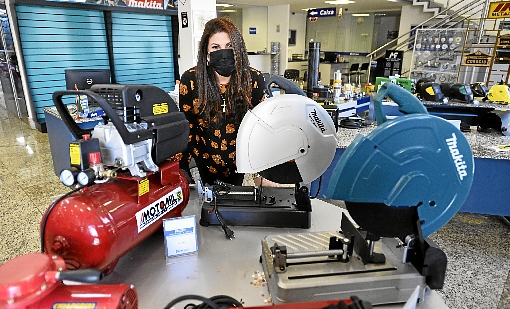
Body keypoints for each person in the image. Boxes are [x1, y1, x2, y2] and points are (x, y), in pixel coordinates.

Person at [178, 17, 267, 186]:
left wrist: (262, 172)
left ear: (238, 49)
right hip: (204, 158)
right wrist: (182, 170)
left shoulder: (253, 79)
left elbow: (261, 129)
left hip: (239, 160)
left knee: (234, 202)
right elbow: (187, 129)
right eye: (215, 47)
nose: (223, 53)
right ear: (207, 53)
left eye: (229, 46)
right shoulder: (191, 80)